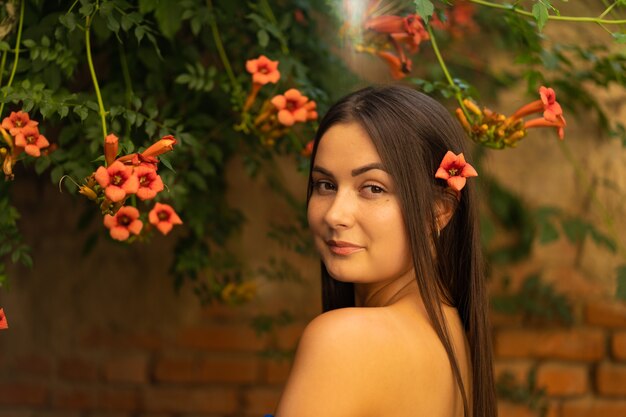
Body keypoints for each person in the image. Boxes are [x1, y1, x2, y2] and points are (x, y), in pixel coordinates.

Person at [269, 85, 496, 417]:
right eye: (325, 185)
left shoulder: (345, 340)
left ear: (439, 211)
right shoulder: (454, 338)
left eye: (372, 188)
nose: (335, 214)